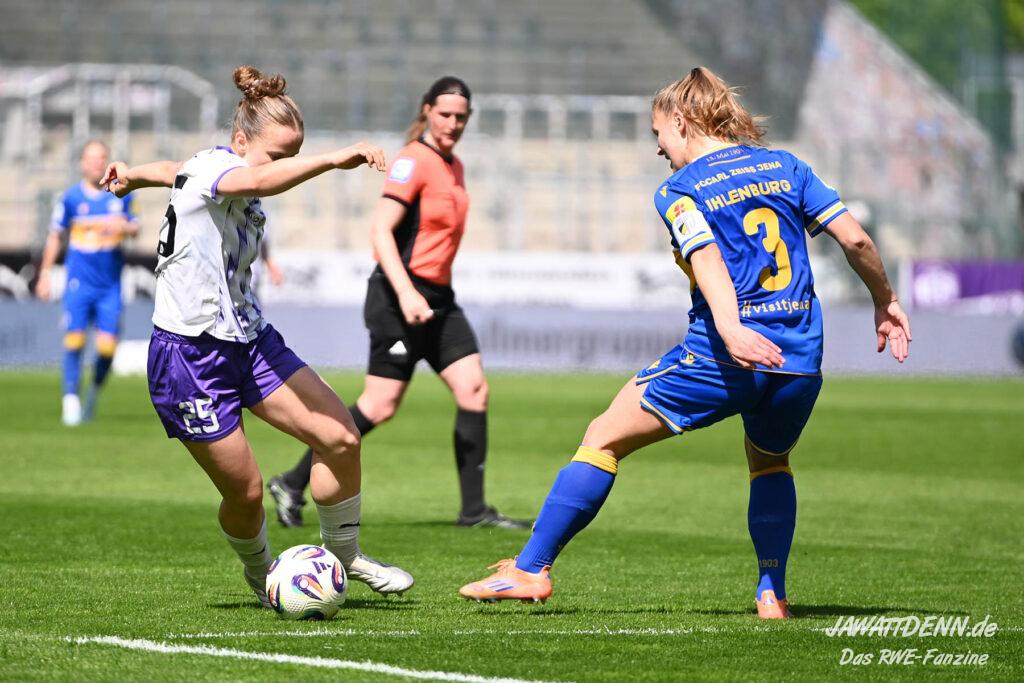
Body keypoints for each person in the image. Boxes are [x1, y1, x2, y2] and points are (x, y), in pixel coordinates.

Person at [458, 67, 912, 618]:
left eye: (658, 134)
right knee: (770, 461)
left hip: (724, 356)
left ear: (681, 120)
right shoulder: (786, 165)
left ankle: (529, 569)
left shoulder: (680, 190)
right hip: (798, 360)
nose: (658, 148)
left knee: (603, 437)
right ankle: (772, 592)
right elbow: (855, 239)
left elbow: (707, 257)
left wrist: (732, 328)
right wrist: (885, 300)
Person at [102, 65, 414, 606]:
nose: (283, 166)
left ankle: (343, 558)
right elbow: (254, 181)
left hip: (249, 340)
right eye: (278, 155)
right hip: (189, 356)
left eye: (294, 155)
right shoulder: (223, 170)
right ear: (241, 141)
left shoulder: (204, 167)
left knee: (341, 439)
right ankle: (263, 571)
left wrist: (131, 175)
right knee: (246, 493)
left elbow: (174, 169)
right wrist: (331, 159)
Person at [268, 76, 530, 531]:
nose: (453, 123)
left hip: (440, 300)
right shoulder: (413, 161)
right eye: (445, 114)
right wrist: (407, 292)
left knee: (474, 389)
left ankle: (474, 512)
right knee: (379, 405)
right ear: (427, 110)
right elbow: (381, 231)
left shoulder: (454, 165)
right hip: (397, 297)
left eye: (461, 116)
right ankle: (291, 482)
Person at [36, 140, 139, 426]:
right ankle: (70, 400)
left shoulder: (121, 193)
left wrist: (123, 226)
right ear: (82, 163)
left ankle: (92, 392)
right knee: (75, 340)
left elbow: (136, 226)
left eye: (102, 157)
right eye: (92, 158)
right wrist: (45, 273)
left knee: (106, 348)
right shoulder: (70, 198)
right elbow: (55, 235)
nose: (97, 163)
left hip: (110, 286)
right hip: (78, 285)